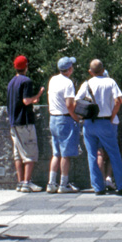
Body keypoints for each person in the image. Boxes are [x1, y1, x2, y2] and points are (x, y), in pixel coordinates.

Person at [76, 59, 122, 196]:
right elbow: (119, 101)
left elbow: (76, 101)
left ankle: (98, 187)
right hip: (106, 122)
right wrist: (112, 116)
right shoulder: (110, 82)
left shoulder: (87, 83)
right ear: (103, 69)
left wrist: (81, 116)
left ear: (90, 71)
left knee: (92, 155)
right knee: (114, 154)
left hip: (89, 123)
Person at [7, 55, 44, 192]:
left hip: (14, 121)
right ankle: (27, 182)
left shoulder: (11, 82)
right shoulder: (26, 81)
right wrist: (38, 95)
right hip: (25, 122)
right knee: (30, 152)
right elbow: (26, 101)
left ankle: (20, 182)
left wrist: (31, 100)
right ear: (26, 67)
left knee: (18, 154)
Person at [46, 57, 80, 194]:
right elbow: (69, 105)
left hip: (53, 118)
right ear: (69, 69)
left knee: (56, 153)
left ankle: (51, 183)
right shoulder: (68, 83)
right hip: (64, 119)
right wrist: (76, 118)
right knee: (66, 154)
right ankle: (63, 184)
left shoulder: (53, 80)